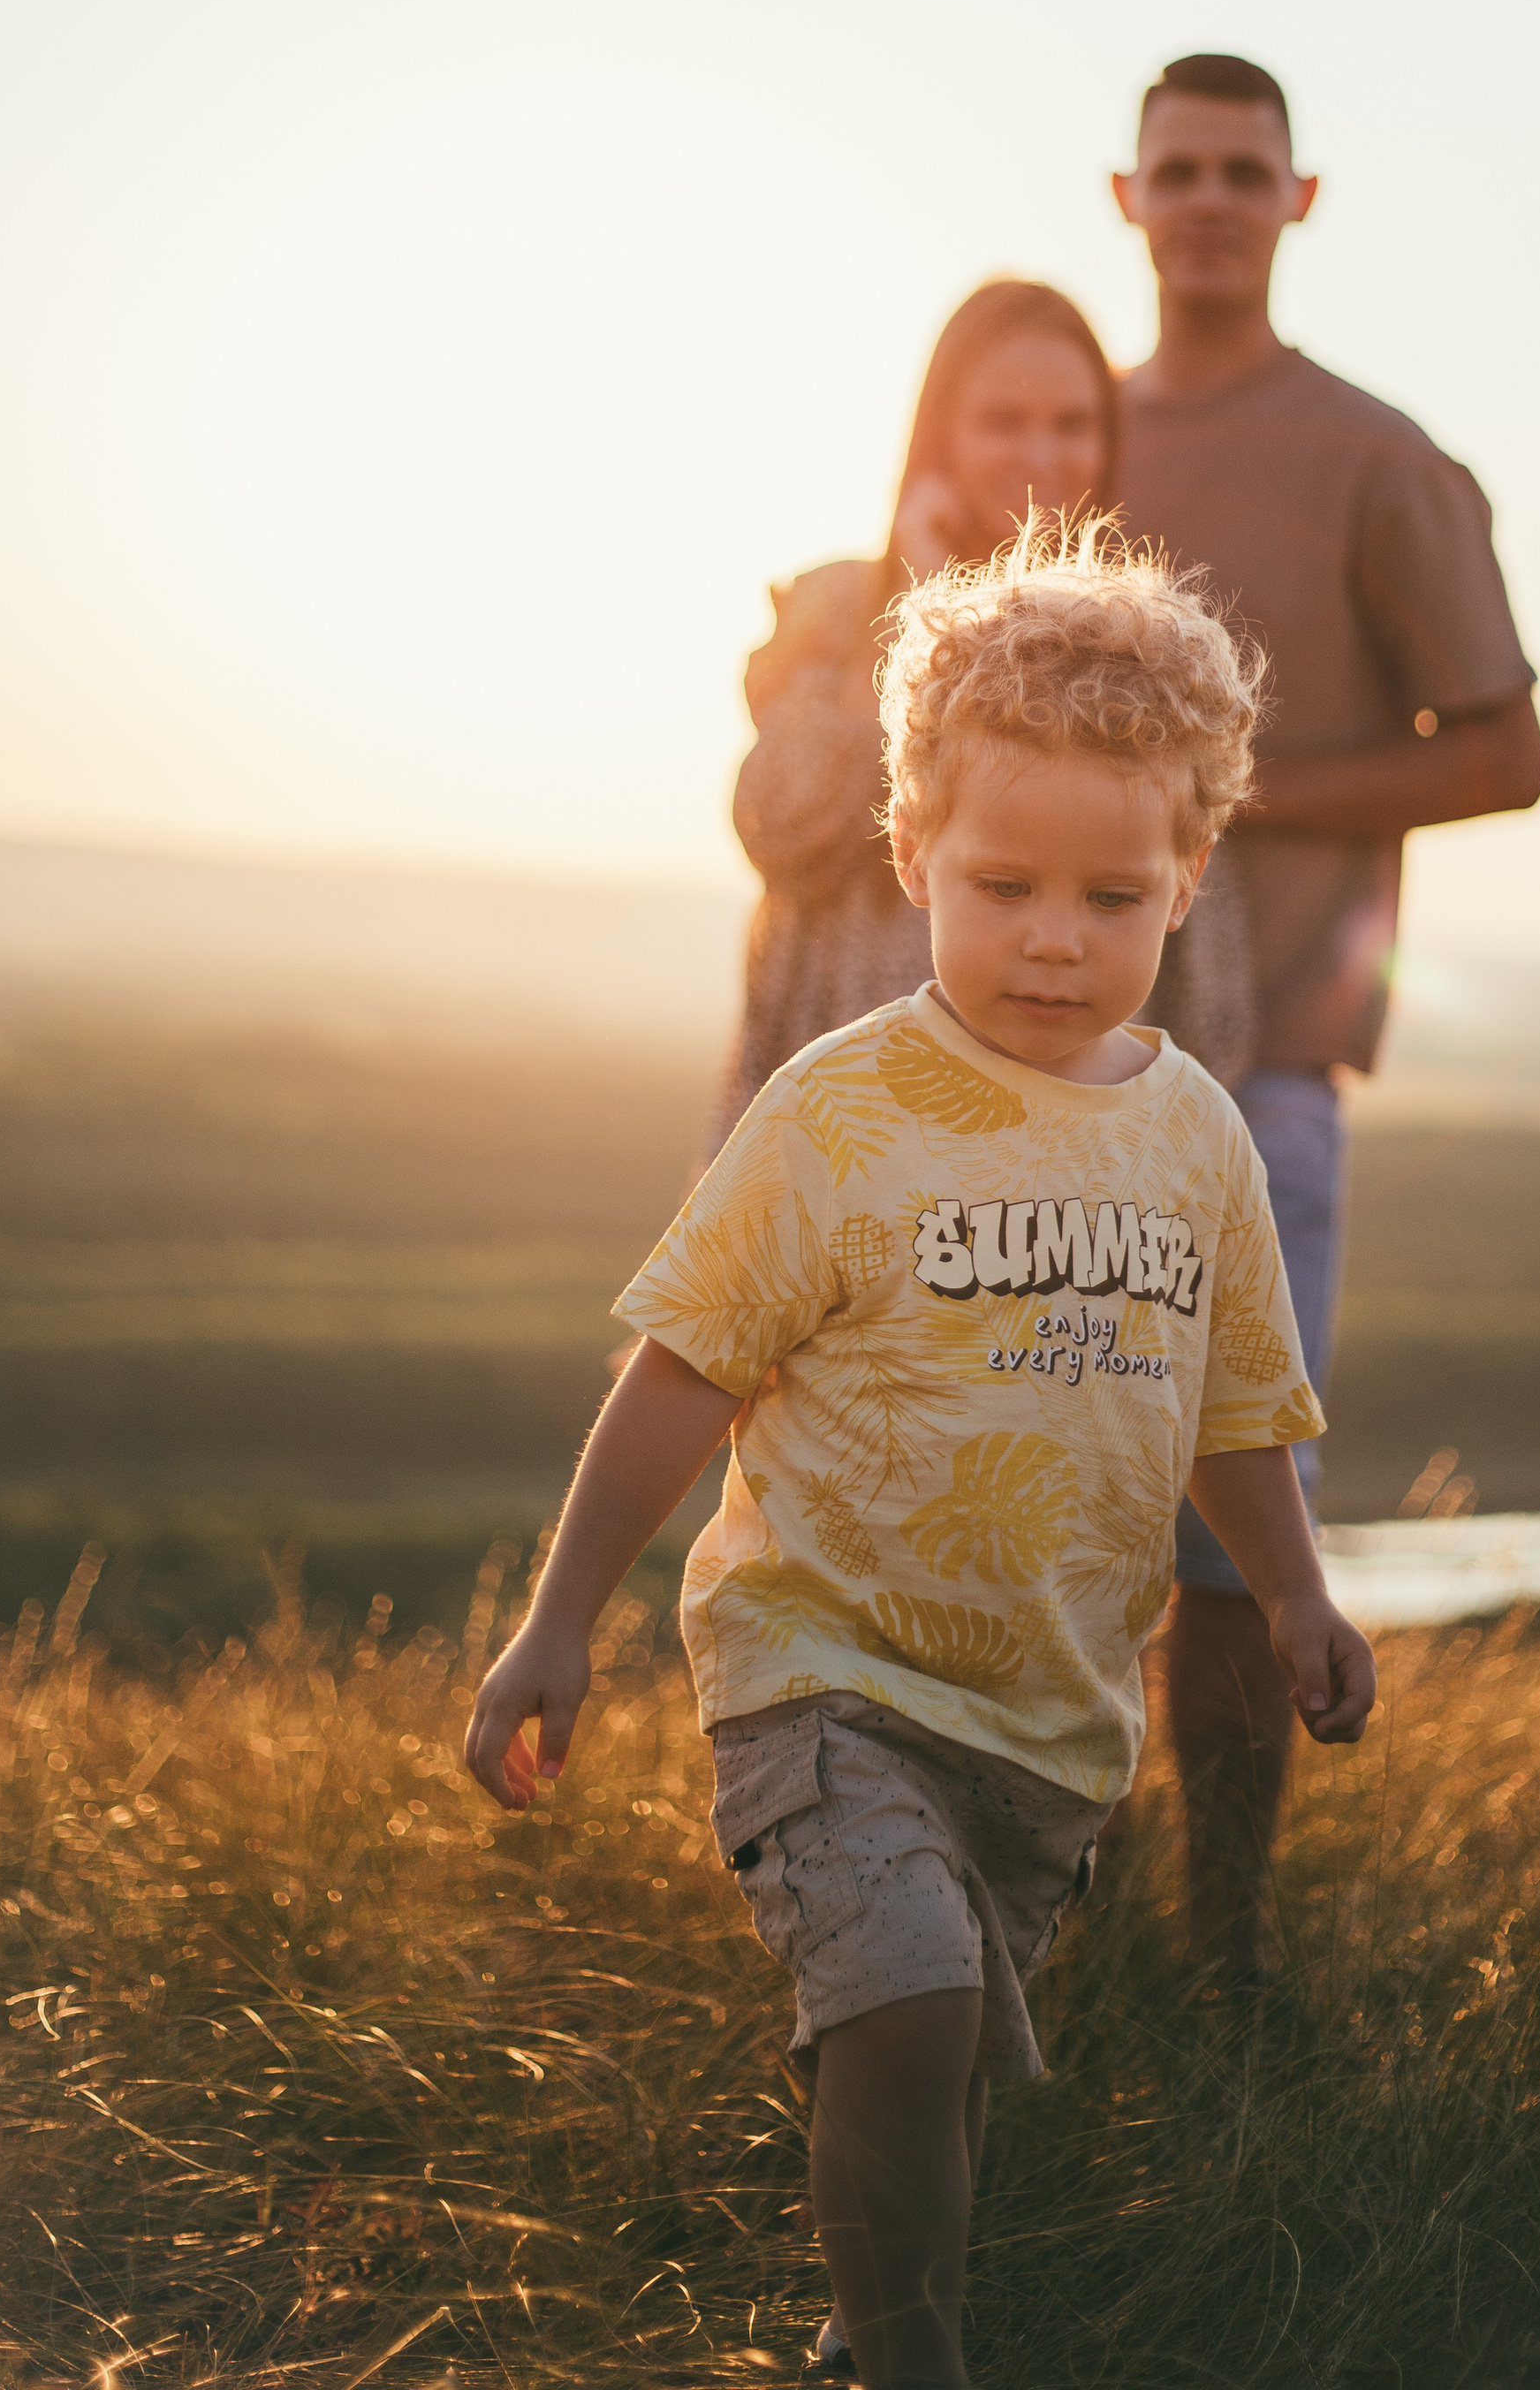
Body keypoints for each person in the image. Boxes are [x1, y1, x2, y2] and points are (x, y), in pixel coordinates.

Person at [466, 527, 1378, 2390]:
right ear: (912, 857)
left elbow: (1231, 1414)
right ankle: (913, 2366)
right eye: (1002, 882)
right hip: (823, 1677)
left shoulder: (1194, 1141)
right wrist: (560, 1617)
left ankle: (869, 2329)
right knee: (902, 2010)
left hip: (1044, 1719)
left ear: (1190, 877)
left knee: (951, 2060)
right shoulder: (843, 1108)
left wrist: (1290, 1594)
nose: (1055, 936)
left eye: (1112, 897)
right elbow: (677, 1373)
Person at [1111, 52, 1540, 1977]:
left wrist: (1221, 787)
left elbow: (1508, 753)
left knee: (1223, 1537)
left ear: (1298, 201)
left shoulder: (1376, 456)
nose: (1206, 197)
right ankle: (1033, 1921)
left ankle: (1219, 1962)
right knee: (1008, 1504)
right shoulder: (1068, 430)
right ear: (1123, 199)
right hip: (1035, 1061)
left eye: (1242, 170)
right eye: (1174, 168)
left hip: (1261, 1067)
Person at [708, 276, 1254, 1157]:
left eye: (1072, 424)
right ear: (939, 437)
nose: (1039, 452)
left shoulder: (1142, 649)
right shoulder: (835, 610)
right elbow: (779, 823)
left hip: (1051, 1147)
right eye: (1003, 420)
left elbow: (1207, 965)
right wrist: (910, 617)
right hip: (829, 1123)